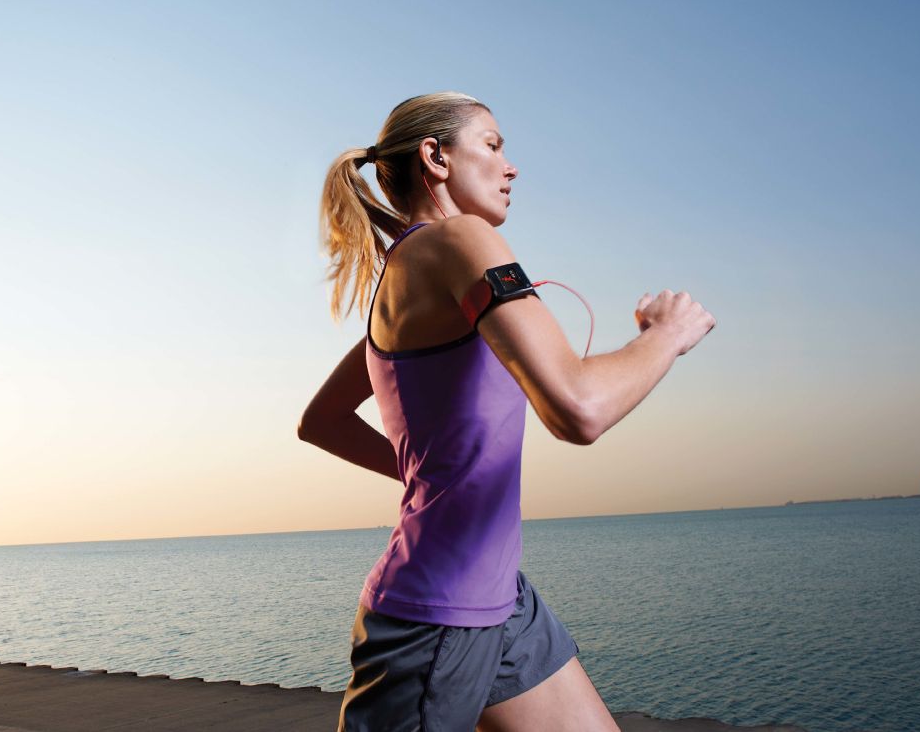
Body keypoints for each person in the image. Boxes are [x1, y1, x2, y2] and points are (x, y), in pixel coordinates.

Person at [298, 92, 716, 732]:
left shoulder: (411, 271)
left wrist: (433, 480)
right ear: (436, 158)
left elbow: (320, 421)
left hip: (498, 599)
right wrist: (665, 336)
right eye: (492, 146)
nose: (511, 166)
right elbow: (579, 409)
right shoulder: (461, 239)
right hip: (435, 616)